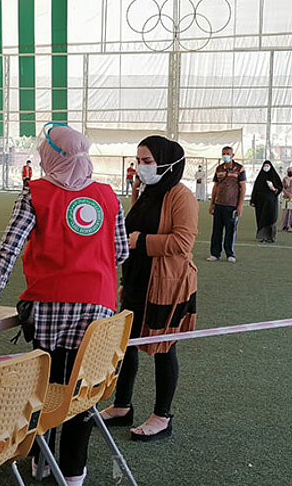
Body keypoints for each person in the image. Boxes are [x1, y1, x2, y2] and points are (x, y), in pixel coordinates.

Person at [0, 123, 128, 486]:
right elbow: (121, 251)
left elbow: (9, 249)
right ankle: (73, 471)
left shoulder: (35, 193)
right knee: (80, 393)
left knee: (47, 387)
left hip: (47, 309)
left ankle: (41, 460)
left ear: (49, 156)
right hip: (99, 306)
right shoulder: (108, 195)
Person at [100, 135, 197, 443]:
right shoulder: (144, 192)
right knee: (125, 345)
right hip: (137, 281)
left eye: (147, 162)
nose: (140, 168)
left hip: (167, 284)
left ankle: (162, 416)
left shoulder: (181, 196)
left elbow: (183, 243)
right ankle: (122, 405)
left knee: (164, 348)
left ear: (168, 163)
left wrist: (140, 241)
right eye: (138, 161)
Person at [207, 146, 246, 262]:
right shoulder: (218, 169)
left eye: (228, 153)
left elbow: (243, 188)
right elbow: (215, 186)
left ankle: (230, 254)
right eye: (224, 153)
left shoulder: (239, 168)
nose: (226, 155)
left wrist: (240, 205)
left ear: (232, 155)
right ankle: (215, 253)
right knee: (216, 230)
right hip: (219, 204)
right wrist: (211, 203)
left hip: (232, 205)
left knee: (230, 230)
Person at [250, 160, 282, 243]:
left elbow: (280, 187)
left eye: (268, 166)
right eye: (265, 166)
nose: (266, 167)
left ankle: (271, 237)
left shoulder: (274, 177)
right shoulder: (260, 177)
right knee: (261, 218)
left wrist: (274, 189)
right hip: (260, 202)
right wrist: (253, 200)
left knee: (271, 218)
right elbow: (255, 189)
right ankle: (263, 237)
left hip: (271, 202)